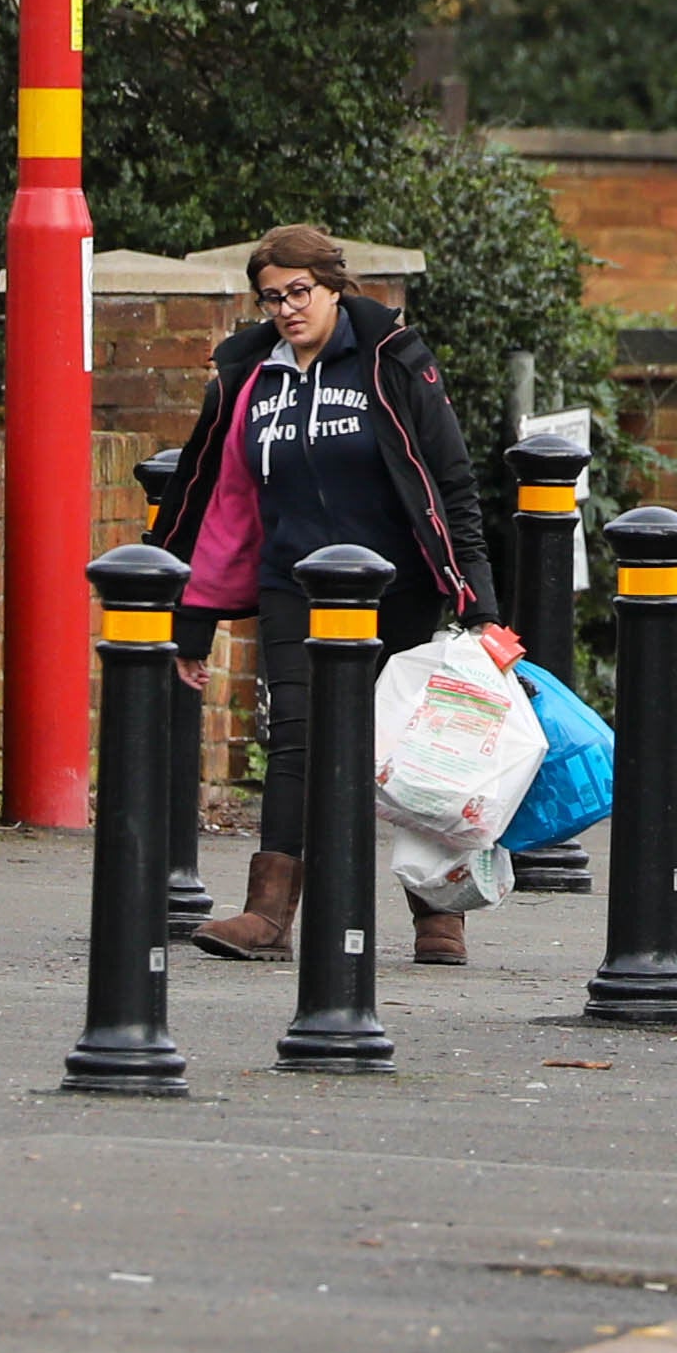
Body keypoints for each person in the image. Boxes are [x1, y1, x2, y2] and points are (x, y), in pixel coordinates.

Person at [150, 223, 492, 968]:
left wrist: (477, 604)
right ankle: (268, 914)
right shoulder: (251, 377)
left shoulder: (391, 361)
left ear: (335, 287)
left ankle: (439, 915)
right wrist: (193, 622)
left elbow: (451, 481)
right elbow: (217, 500)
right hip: (294, 585)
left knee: (413, 750)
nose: (287, 309)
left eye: (300, 291)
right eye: (272, 297)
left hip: (396, 588)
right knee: (295, 742)